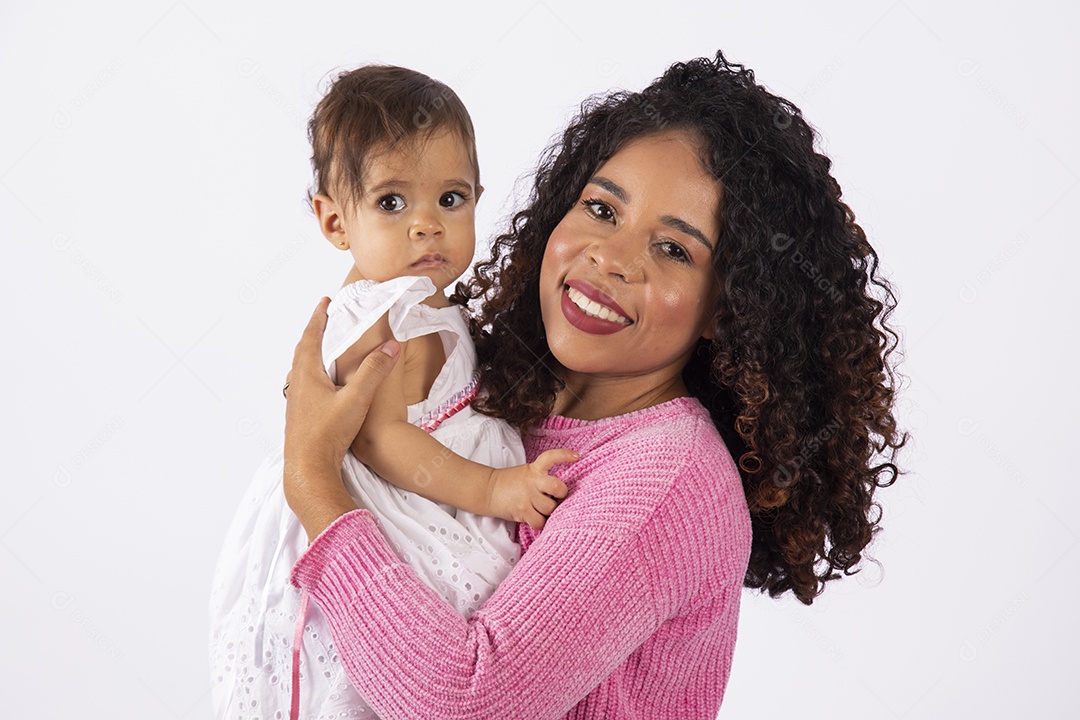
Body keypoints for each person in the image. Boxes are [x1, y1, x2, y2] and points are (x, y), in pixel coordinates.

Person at [282, 51, 906, 719]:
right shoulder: (494, 388)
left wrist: (312, 478)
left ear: (726, 307)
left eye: (673, 249)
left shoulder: (668, 480)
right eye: (603, 210)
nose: (610, 258)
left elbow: (467, 702)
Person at [209, 65, 574, 719]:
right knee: (378, 678)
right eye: (391, 203)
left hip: (428, 494)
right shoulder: (377, 314)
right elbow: (381, 440)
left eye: (451, 199)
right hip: (385, 506)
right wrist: (496, 489)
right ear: (335, 222)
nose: (426, 225)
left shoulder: (428, 300)